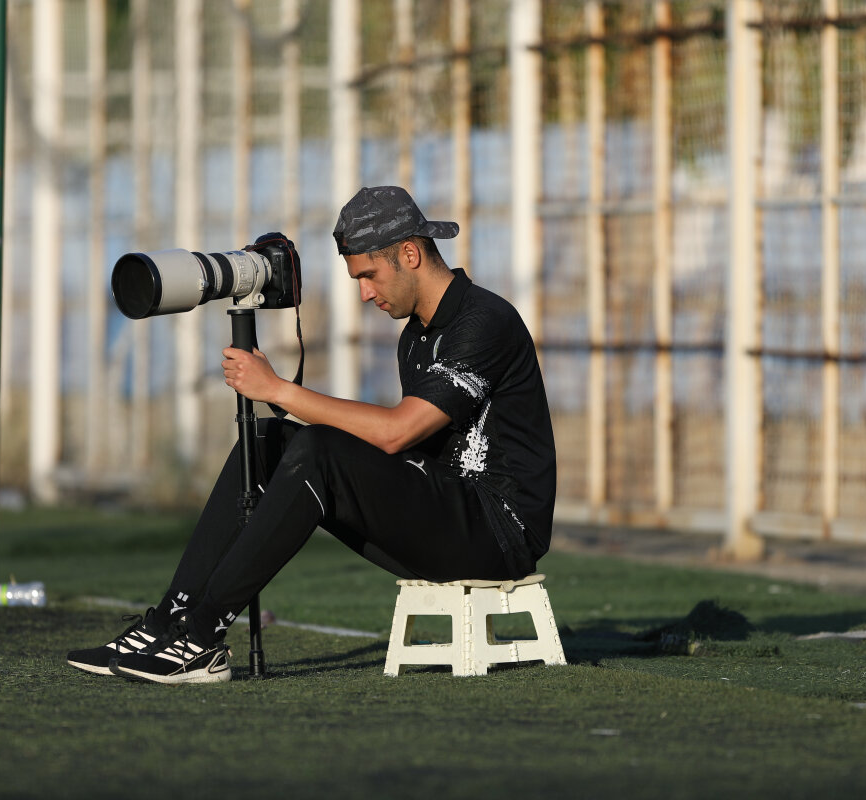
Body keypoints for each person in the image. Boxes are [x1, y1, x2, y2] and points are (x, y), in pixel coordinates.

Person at [67, 186, 556, 684]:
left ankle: (202, 635)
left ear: (410, 254)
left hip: (499, 533)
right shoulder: (417, 335)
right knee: (267, 440)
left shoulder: (484, 321)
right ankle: (168, 622)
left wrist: (278, 389)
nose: (365, 293)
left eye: (369, 275)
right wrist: (281, 406)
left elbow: (398, 432)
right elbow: (407, 447)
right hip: (443, 511)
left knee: (319, 450)